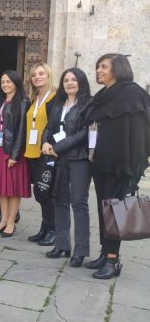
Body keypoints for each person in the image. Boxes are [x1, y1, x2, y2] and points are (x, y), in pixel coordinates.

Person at [82, 54, 150, 279]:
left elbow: (139, 132)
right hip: (101, 163)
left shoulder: (132, 93)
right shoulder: (102, 95)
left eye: (104, 67)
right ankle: (104, 252)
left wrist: (134, 165)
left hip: (120, 165)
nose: (99, 70)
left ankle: (113, 261)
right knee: (104, 210)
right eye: (97, 67)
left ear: (118, 69)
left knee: (114, 212)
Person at [41, 68, 92, 266]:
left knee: (79, 203)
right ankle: (62, 244)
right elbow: (49, 128)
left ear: (81, 81)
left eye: (73, 80)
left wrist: (57, 147)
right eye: (66, 80)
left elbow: (84, 133)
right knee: (59, 200)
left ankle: (80, 250)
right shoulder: (59, 104)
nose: (69, 83)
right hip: (59, 159)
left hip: (79, 159)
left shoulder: (88, 104)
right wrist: (45, 143)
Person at [0, 70, 31, 237]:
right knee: (1, 188)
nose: (5, 85)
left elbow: (21, 131)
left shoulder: (24, 102)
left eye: (9, 82)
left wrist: (15, 155)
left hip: (12, 149)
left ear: (16, 83)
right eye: (3, 82)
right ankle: (3, 220)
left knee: (13, 188)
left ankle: (11, 221)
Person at [24, 62, 58, 245]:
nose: (37, 77)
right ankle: (44, 228)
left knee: (47, 192)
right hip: (31, 151)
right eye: (34, 75)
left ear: (48, 75)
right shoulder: (34, 99)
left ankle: (53, 230)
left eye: (41, 73)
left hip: (46, 152)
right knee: (39, 191)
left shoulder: (55, 99)